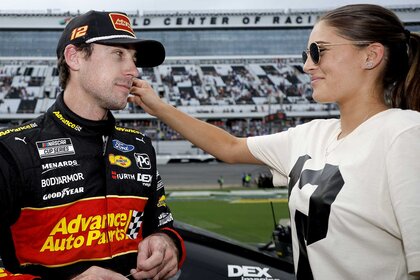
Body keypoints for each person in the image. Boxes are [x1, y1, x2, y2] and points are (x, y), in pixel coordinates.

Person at [128, 4, 420, 279]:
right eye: (305, 53)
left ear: (371, 56)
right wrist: (159, 107)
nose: (307, 65)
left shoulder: (404, 135)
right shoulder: (312, 134)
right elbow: (230, 147)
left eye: (318, 51)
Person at [0, 10, 185, 280]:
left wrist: (167, 244)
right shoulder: (14, 150)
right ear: (74, 58)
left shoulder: (139, 146)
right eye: (118, 54)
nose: (133, 70)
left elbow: (162, 225)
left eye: (133, 59)